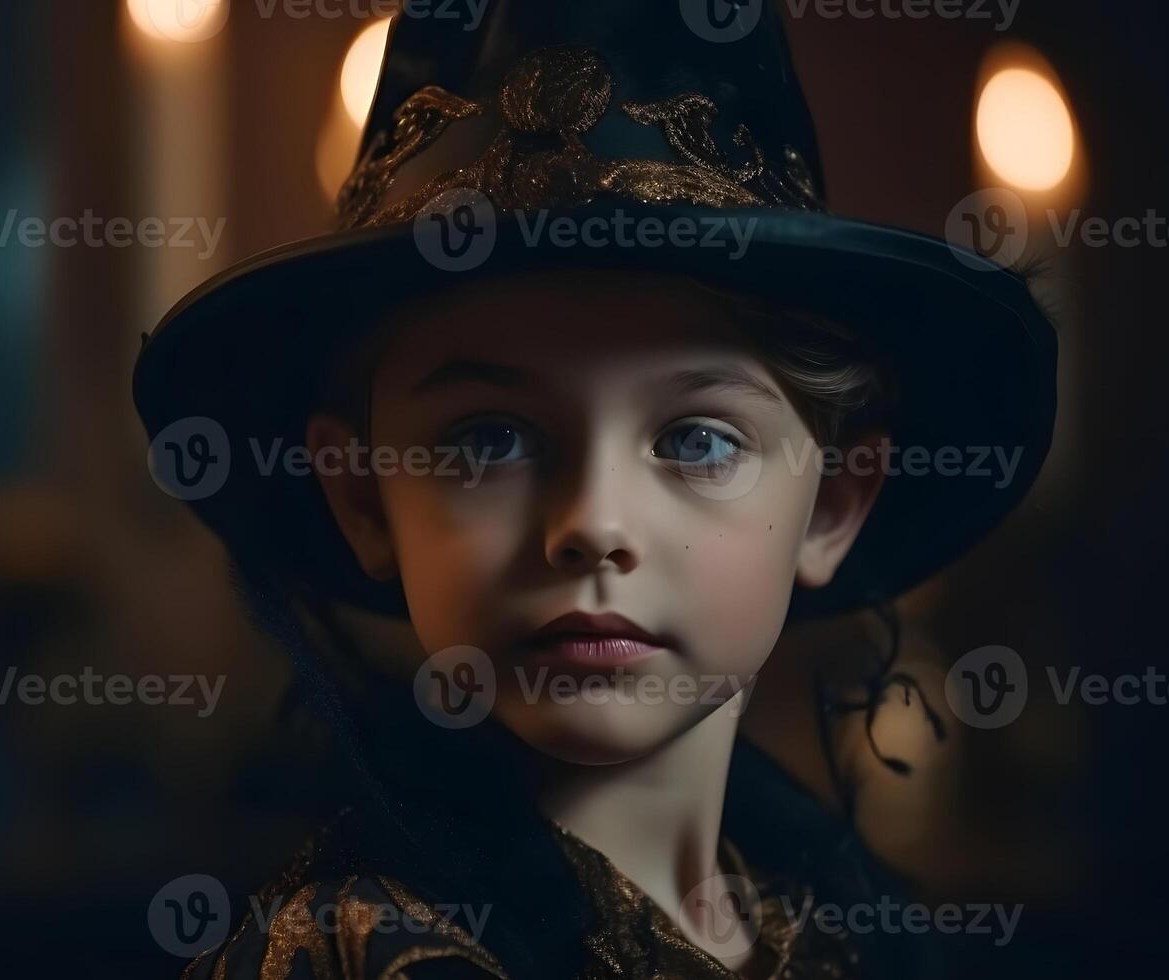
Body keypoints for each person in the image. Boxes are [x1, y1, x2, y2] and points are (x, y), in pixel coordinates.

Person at [132, 2, 1057, 977]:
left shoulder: (851, 940)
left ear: (831, 504)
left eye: (697, 439)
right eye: (489, 439)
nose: (591, 525)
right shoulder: (346, 955)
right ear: (363, 496)